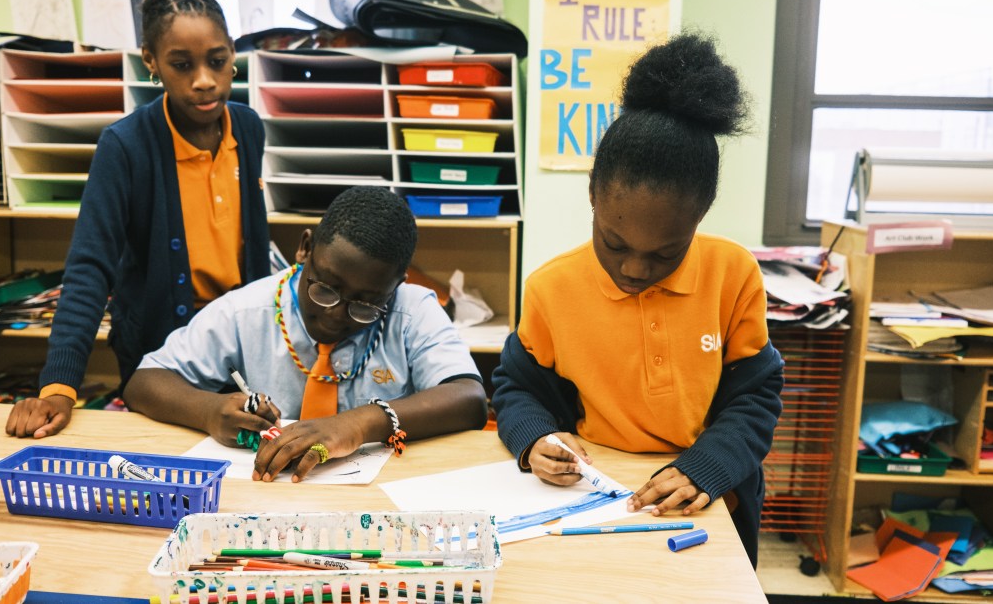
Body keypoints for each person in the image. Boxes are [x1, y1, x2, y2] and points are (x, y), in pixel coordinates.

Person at [490, 32, 784, 568]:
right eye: (615, 242)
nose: (634, 269)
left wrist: (707, 467)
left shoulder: (734, 274)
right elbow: (515, 387)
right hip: (590, 500)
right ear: (592, 199)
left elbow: (755, 398)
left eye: (666, 253)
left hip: (702, 503)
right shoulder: (551, 288)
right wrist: (534, 439)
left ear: (701, 217)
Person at [5, 0, 270, 439]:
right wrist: (59, 385)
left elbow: (253, 250)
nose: (205, 80)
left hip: (242, 346)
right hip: (160, 359)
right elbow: (89, 268)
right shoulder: (125, 145)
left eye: (216, 60)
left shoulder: (249, 127)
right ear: (150, 60)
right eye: (182, 65)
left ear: (233, 52)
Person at [123, 186, 488, 483]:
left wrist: (359, 424)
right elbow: (143, 382)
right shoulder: (246, 309)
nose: (335, 313)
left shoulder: (411, 310)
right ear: (305, 247)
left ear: (395, 286)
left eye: (365, 304)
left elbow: (469, 399)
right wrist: (207, 411)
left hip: (384, 496)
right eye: (325, 288)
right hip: (270, 495)